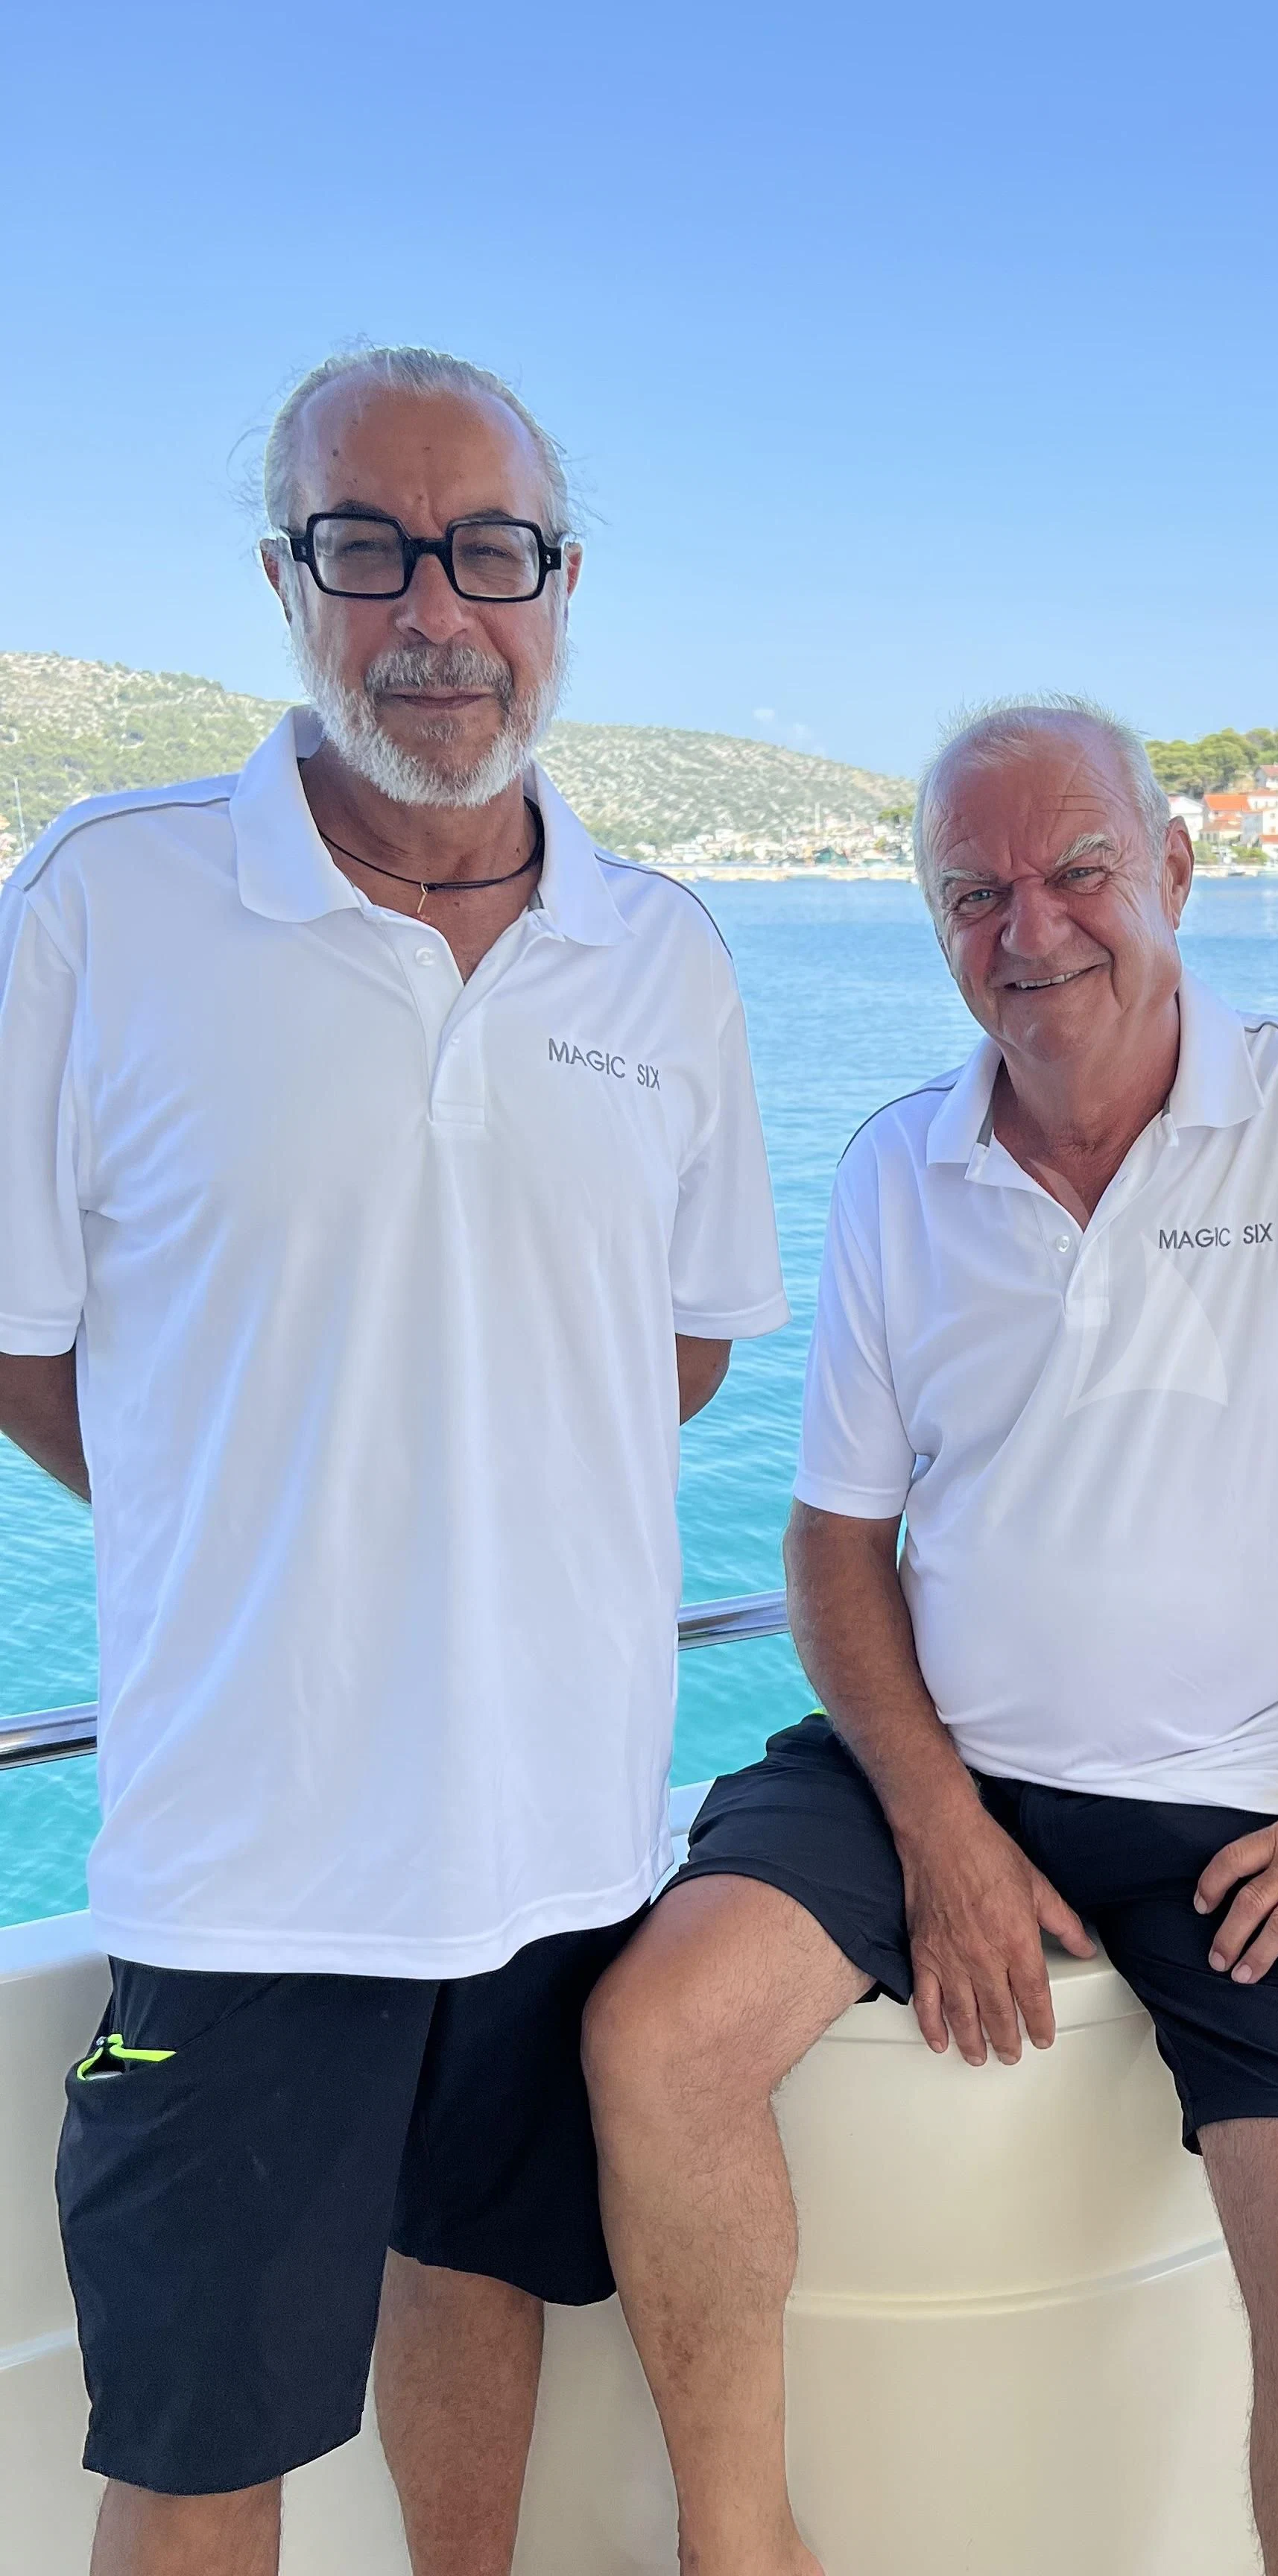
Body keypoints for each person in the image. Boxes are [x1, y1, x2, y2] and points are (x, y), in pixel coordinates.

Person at [583, 698, 1278, 2576]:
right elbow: (834, 1550)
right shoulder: (902, 1170)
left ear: (1177, 877)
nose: (1031, 929)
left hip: (1257, 1802)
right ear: (936, 930)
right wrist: (943, 1826)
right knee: (655, 2042)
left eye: (1079, 873)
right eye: (975, 895)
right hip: (938, 1763)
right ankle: (741, 2558)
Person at [0, 346, 788, 2576]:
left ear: (563, 587)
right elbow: (18, 1342)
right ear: (285, 580)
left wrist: (467, 1473)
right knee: (199, 2441)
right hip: (252, 1856)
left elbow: (691, 1345)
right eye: (370, 547)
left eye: (492, 552)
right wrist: (241, 1499)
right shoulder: (100, 906)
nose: (436, 610)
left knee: (488, 2301)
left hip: (560, 1834)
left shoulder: (671, 951)